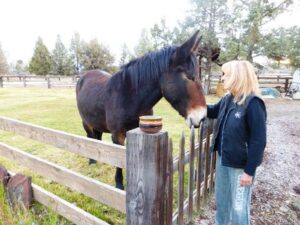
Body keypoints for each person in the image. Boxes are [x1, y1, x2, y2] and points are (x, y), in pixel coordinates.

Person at [207, 60, 267, 225]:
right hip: (223, 160)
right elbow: (211, 111)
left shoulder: (253, 103)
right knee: (222, 204)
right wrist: (192, 104)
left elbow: (259, 140)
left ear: (236, 76)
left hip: (241, 167)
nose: (222, 78)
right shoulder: (228, 99)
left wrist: (249, 172)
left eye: (225, 74)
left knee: (239, 209)